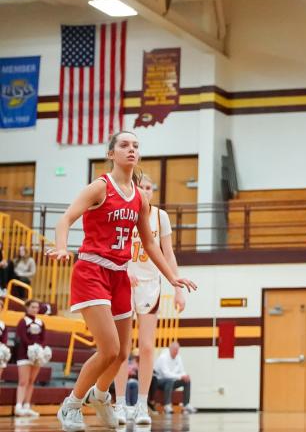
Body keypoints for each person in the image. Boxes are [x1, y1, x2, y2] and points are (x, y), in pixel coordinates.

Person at [49, 130, 196, 432]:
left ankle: (101, 395)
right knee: (109, 349)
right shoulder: (100, 187)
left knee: (121, 353)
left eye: (135, 146)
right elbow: (65, 219)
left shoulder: (140, 198)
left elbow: (151, 244)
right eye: (124, 145)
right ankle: (72, 404)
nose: (131, 149)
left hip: (119, 275)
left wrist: (173, 278)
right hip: (92, 271)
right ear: (111, 153)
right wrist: (63, 246)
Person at [113, 173, 186, 426]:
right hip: (124, 281)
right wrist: (125, 269)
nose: (145, 191)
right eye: (141, 186)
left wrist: (177, 286)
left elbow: (169, 254)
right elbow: (113, 248)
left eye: (149, 187)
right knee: (122, 349)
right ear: (133, 187)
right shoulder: (123, 212)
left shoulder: (160, 217)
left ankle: (142, 404)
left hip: (150, 284)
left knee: (146, 346)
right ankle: (120, 403)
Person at [13, 298, 51, 418]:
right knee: (23, 381)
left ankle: (27, 406)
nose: (35, 309)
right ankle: (18, 406)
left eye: (37, 307)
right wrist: (31, 347)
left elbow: (44, 338)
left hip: (37, 355)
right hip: (24, 354)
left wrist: (39, 349)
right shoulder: (23, 321)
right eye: (32, 307)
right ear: (27, 307)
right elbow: (22, 337)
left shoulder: (41, 322)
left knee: (31, 381)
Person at [152, 341, 195, 414]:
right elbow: (166, 374)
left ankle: (186, 404)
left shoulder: (178, 357)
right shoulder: (163, 357)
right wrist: (180, 376)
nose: (176, 352)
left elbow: (182, 371)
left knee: (187, 381)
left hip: (172, 381)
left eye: (177, 350)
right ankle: (167, 405)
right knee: (169, 380)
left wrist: (185, 376)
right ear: (170, 349)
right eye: (175, 350)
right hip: (159, 381)